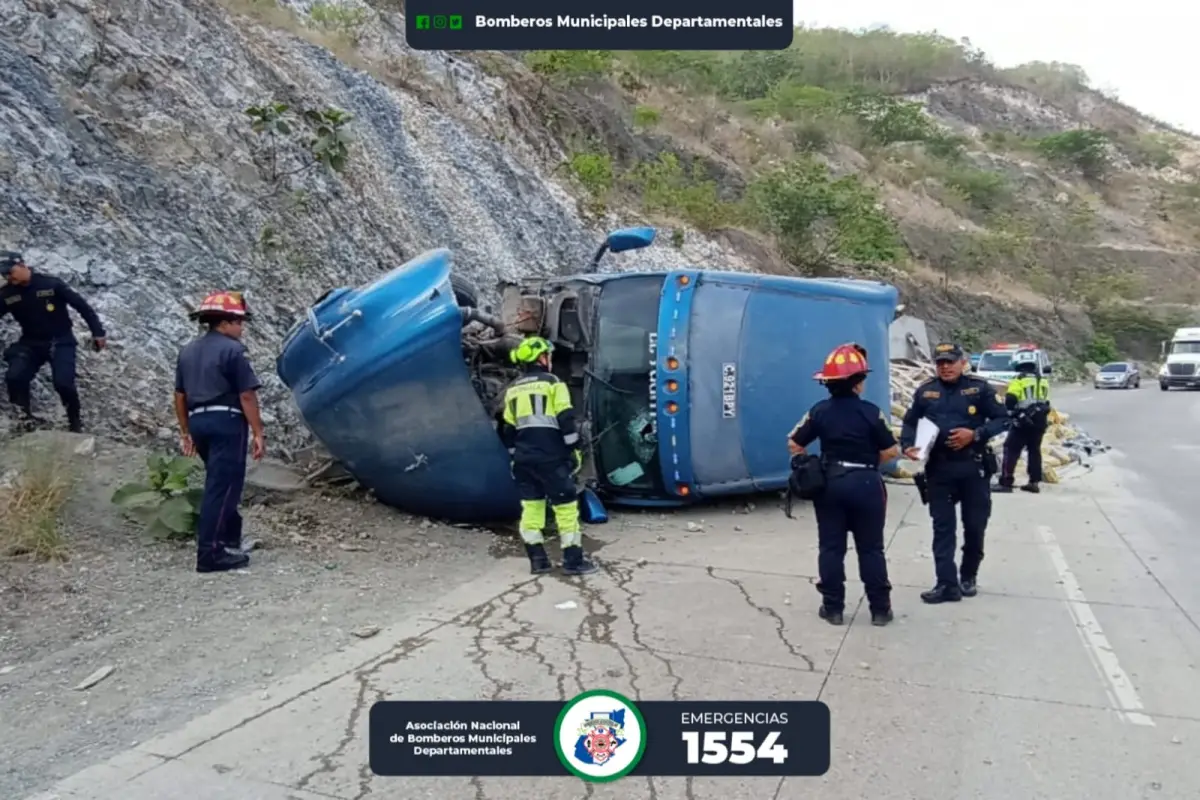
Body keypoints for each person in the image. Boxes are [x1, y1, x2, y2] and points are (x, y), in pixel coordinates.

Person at [787, 342, 898, 627]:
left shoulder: (819, 411)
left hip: (831, 484)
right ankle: (880, 610)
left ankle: (833, 608)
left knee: (832, 548)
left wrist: (811, 464)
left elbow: (794, 443)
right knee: (871, 549)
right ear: (858, 382)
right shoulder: (872, 413)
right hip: (867, 484)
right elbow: (891, 451)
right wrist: (864, 460)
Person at [900, 342, 1010, 604]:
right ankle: (946, 583)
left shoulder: (979, 389)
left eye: (950, 362)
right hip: (939, 470)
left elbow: (1002, 419)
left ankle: (968, 575)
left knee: (974, 526)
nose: (945, 367)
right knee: (942, 528)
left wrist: (976, 434)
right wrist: (908, 446)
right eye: (940, 363)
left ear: (962, 363)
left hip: (973, 468)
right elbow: (910, 422)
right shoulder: (926, 392)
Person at [174, 291, 265, 573]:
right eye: (239, 322)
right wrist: (258, 432)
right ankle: (210, 553)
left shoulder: (188, 351)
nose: (242, 327)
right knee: (222, 487)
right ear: (224, 323)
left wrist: (185, 431)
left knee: (219, 483)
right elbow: (247, 395)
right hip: (226, 422)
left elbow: (179, 396)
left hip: (198, 422)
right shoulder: (232, 350)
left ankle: (228, 540)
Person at [498, 335, 598, 576]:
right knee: (565, 508)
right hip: (551, 460)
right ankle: (573, 561)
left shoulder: (512, 391)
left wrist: (515, 457)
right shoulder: (554, 384)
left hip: (523, 462)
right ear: (542, 358)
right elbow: (565, 420)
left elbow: (507, 431)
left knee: (531, 510)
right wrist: (574, 451)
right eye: (548, 356)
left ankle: (538, 561)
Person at [0, 251, 107, 432]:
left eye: (10, 272)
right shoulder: (7, 294)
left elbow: (82, 306)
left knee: (63, 382)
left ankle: (74, 422)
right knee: (15, 376)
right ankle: (24, 420)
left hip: (61, 340)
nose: (8, 277)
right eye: (4, 275)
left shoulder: (50, 284)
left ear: (22, 265)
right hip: (31, 342)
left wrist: (98, 332)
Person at [996, 350, 1051, 494]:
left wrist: (1011, 412)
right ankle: (1034, 482)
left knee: (1011, 449)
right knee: (1034, 451)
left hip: (1023, 422)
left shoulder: (1019, 380)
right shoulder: (1043, 380)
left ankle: (1006, 482)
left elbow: (1011, 400)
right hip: (1040, 421)